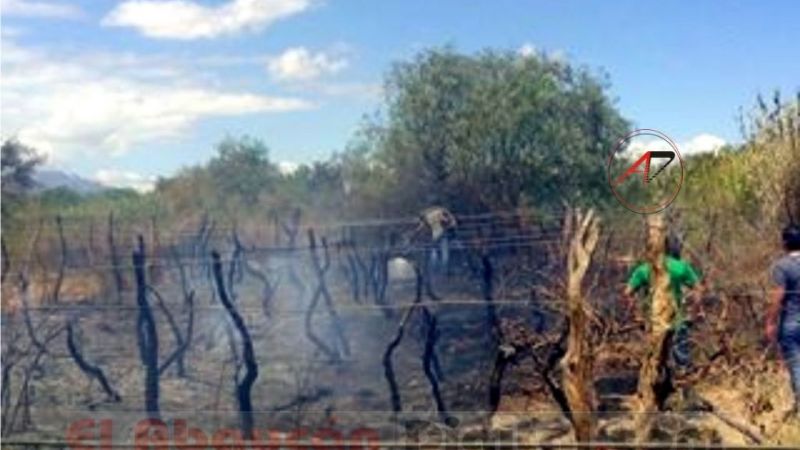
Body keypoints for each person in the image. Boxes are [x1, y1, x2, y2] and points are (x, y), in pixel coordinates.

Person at [624, 235, 702, 374]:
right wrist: (694, 311)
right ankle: (681, 380)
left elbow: (627, 292)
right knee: (681, 358)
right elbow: (698, 288)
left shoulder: (644, 269)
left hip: (653, 321)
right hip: (677, 317)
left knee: (654, 357)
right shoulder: (680, 267)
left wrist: (635, 314)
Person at [766, 225, 800, 415]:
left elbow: (778, 296)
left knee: (796, 365)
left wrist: (770, 321)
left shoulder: (782, 266)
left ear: (785, 243)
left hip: (792, 322)